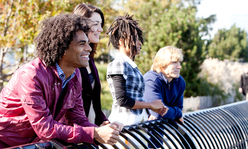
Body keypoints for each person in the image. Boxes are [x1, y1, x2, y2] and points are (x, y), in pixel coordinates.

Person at [0, 13, 120, 148]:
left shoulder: (75, 75)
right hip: (6, 144)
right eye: (82, 44)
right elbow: (46, 129)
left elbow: (78, 120)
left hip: (32, 145)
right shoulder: (31, 75)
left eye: (87, 42)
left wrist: (101, 130)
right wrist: (94, 133)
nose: (89, 48)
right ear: (62, 47)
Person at [105, 13, 167, 126]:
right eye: (135, 39)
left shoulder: (131, 66)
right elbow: (122, 100)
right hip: (123, 126)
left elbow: (137, 97)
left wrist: (152, 110)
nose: (140, 43)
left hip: (136, 124)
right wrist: (150, 104)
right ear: (122, 41)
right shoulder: (118, 64)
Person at [73, 3, 109, 126]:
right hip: (73, 133)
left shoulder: (90, 59)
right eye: (95, 24)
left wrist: (105, 122)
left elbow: (94, 102)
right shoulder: (71, 60)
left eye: (100, 24)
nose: (100, 29)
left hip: (90, 130)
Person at [143, 46, 185, 124]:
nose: (179, 66)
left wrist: (175, 112)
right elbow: (158, 112)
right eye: (174, 62)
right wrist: (177, 113)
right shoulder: (151, 80)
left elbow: (179, 108)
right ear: (162, 64)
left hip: (161, 126)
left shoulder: (179, 81)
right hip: (140, 130)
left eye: (179, 62)